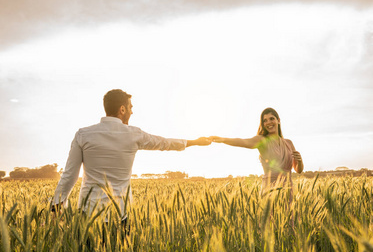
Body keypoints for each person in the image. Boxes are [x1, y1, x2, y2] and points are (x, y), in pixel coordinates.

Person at [51, 89, 211, 221]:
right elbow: (164, 143)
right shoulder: (134, 134)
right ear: (122, 109)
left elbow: (70, 175)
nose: (132, 111)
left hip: (89, 214)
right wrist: (194, 142)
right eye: (130, 107)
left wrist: (56, 206)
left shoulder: (83, 135)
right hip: (121, 214)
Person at [210, 107, 303, 201]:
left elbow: (298, 170)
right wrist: (223, 140)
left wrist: (300, 160)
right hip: (270, 190)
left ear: (278, 120)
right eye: (265, 120)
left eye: (271, 119)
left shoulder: (289, 143)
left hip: (288, 190)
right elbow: (243, 141)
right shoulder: (261, 140)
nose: (268, 122)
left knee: (289, 215)